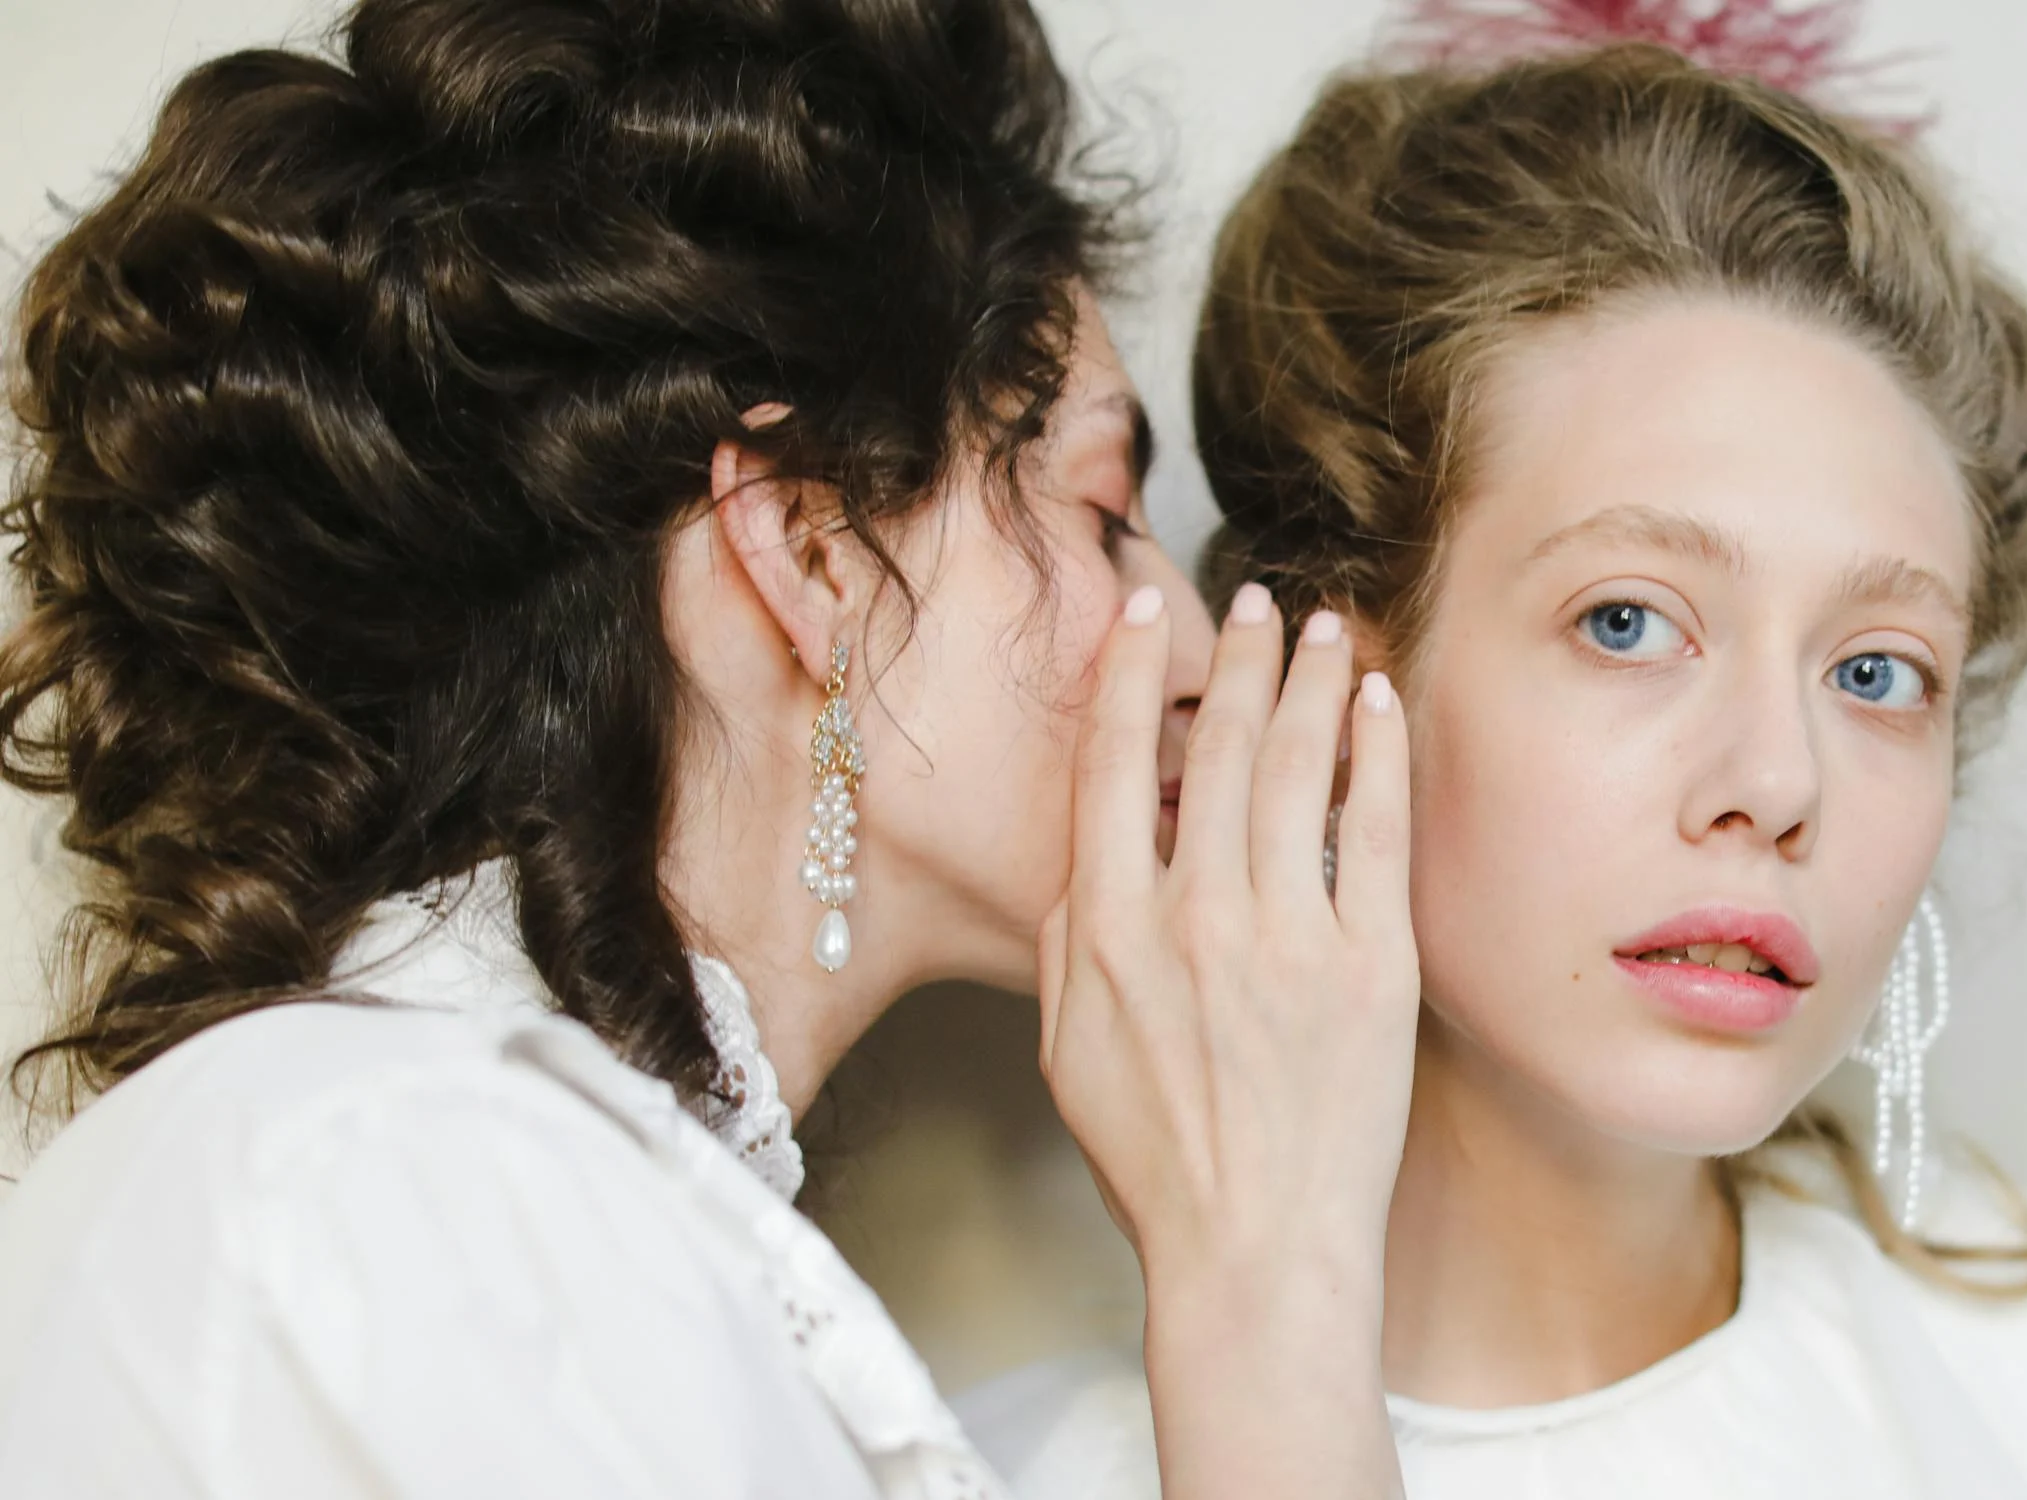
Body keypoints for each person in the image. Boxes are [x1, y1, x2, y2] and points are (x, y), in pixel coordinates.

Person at [0, 2, 1424, 1496]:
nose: (1197, 652)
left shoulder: (500, 1197)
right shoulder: (407, 1185)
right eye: (1101, 515)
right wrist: (1267, 1273)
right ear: (811, 553)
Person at [963, 42, 2027, 1500]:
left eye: (1874, 672)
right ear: (1334, 673)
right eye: (1628, 622)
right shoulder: (973, 1470)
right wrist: (1258, 1344)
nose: (1776, 781)